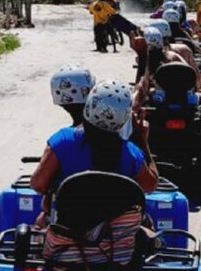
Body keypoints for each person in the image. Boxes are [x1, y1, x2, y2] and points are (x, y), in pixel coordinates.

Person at [31, 80, 159, 227]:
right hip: (114, 235)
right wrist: (142, 140)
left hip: (67, 229)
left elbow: (38, 185)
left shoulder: (63, 140)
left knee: (41, 220)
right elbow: (150, 185)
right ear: (124, 117)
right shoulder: (131, 153)